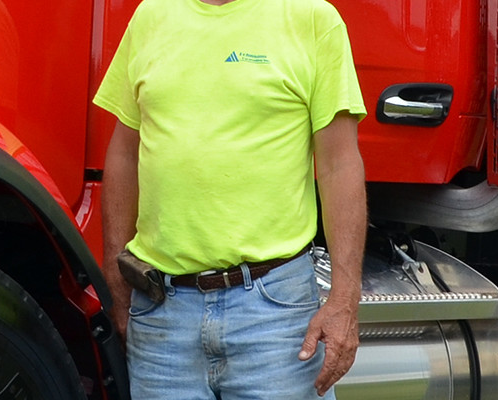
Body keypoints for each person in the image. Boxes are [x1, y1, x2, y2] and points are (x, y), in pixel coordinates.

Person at [94, 0, 367, 398]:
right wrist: (115, 280)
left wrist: (344, 301)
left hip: (274, 317)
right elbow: (123, 155)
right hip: (162, 315)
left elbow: (340, 166)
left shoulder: (312, 19)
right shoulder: (151, 16)